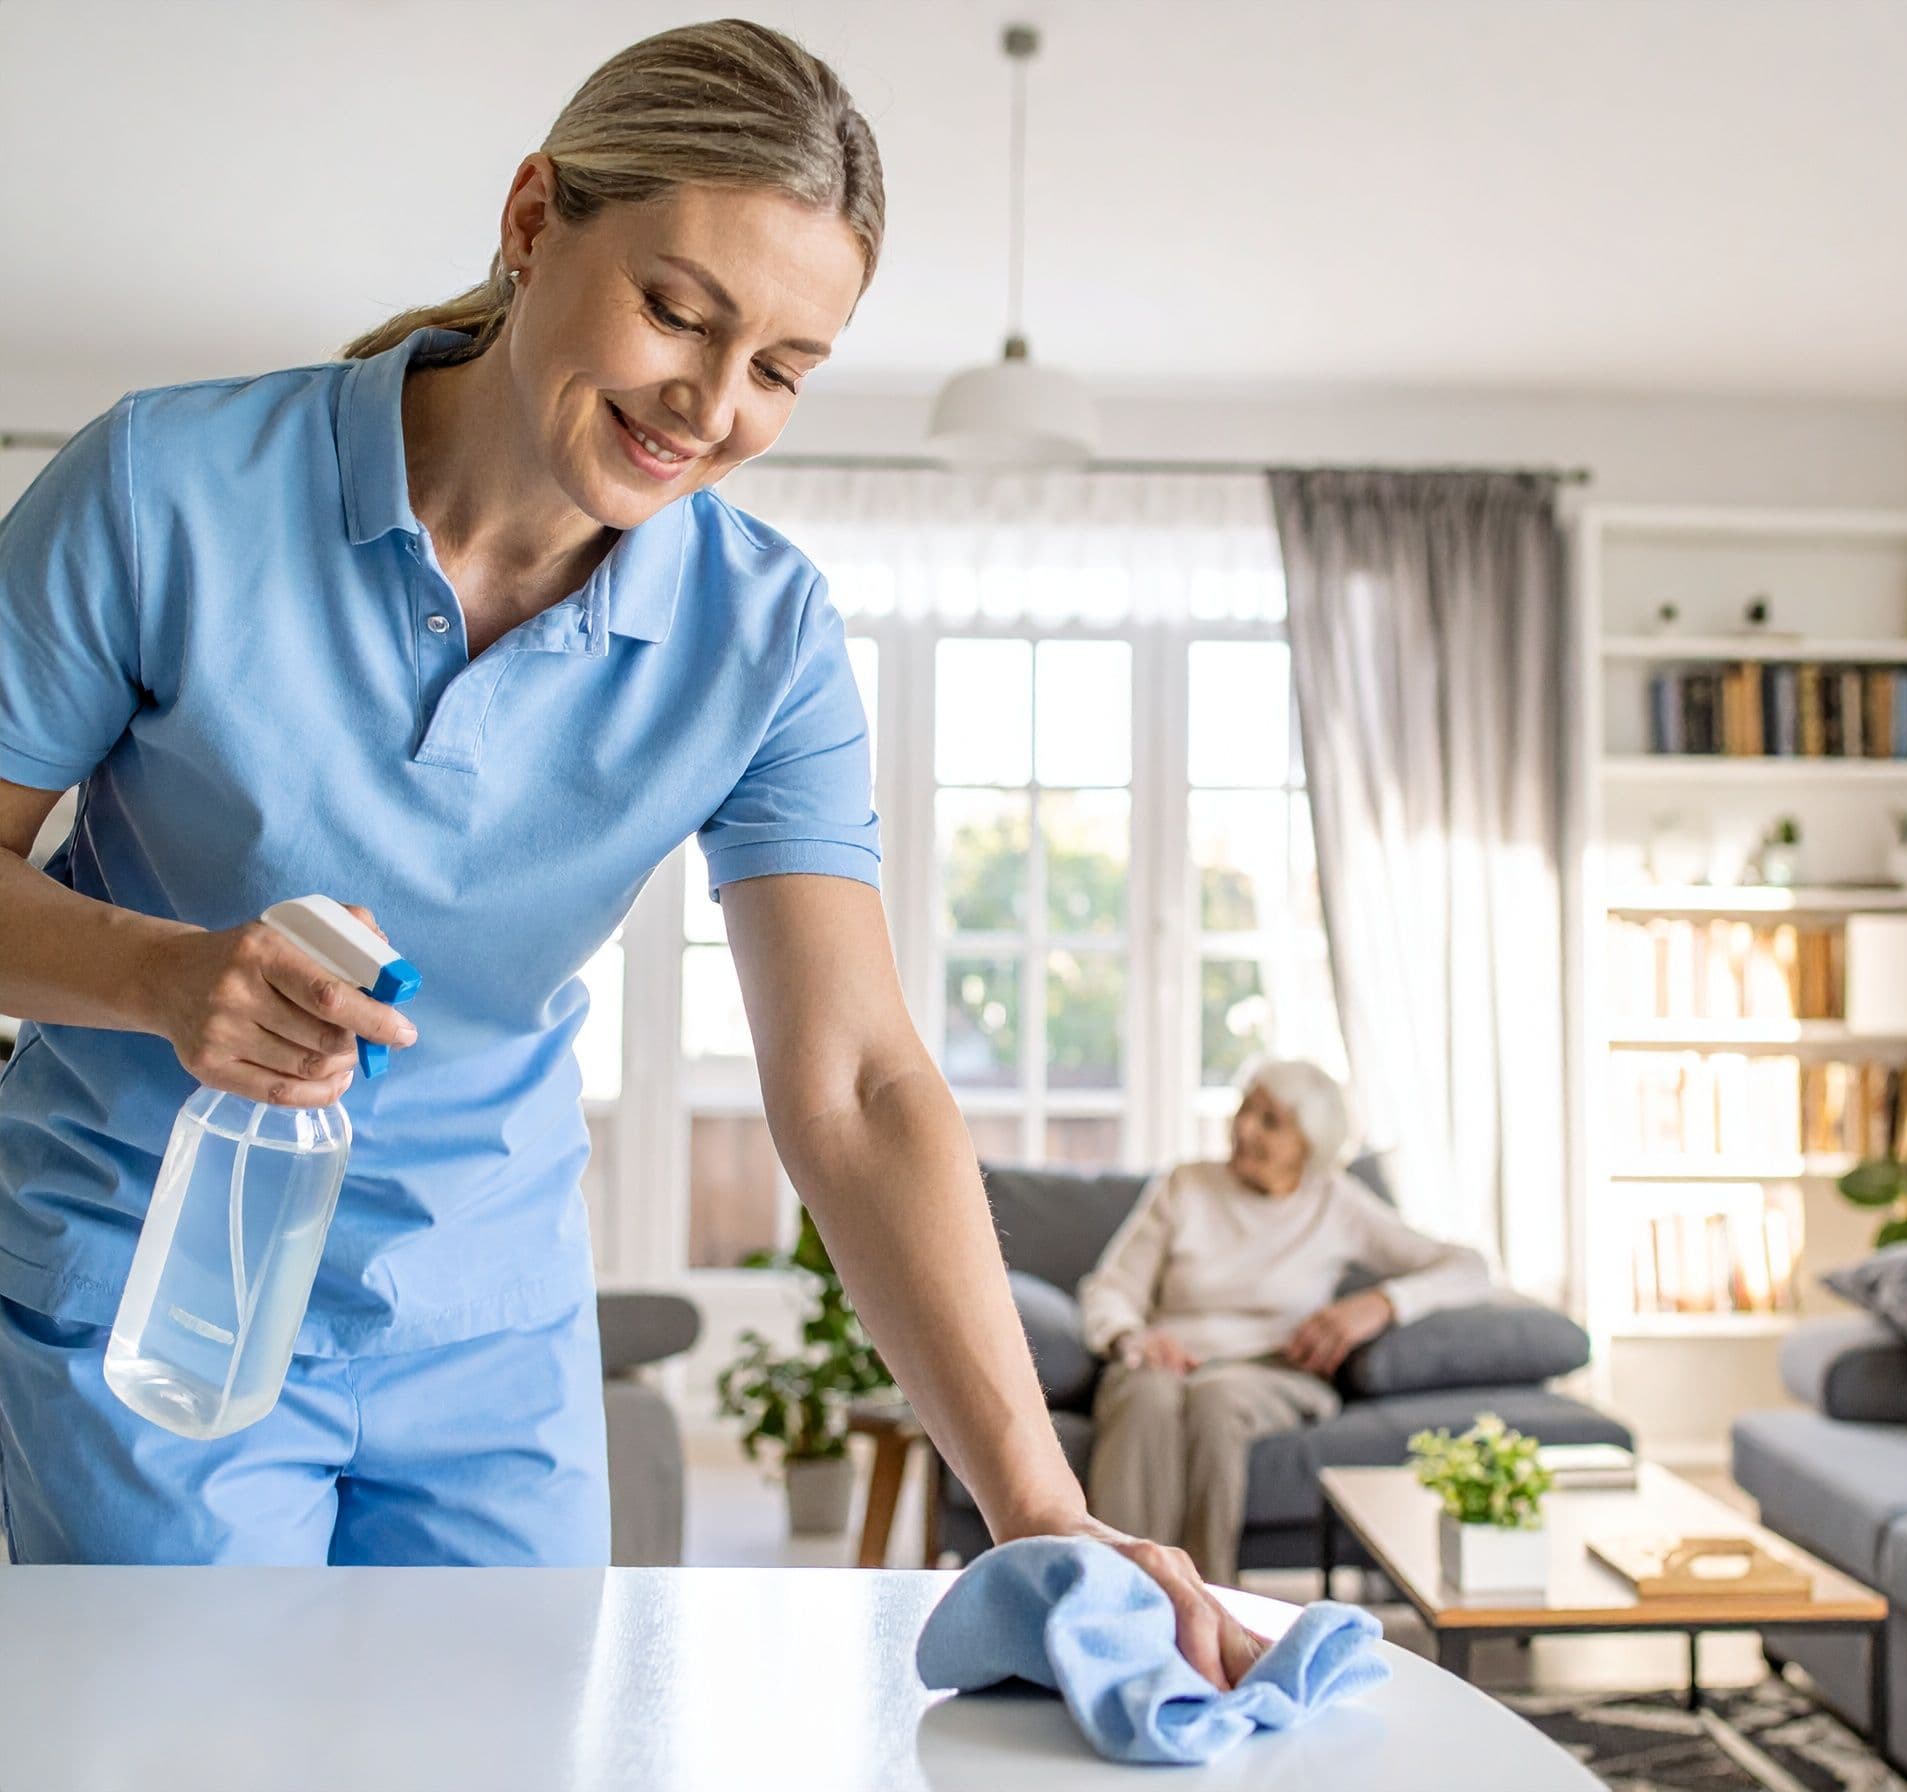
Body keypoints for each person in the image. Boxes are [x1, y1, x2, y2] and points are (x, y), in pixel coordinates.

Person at [0, 19, 1264, 1687]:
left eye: (785, 368)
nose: (714, 405)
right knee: (201, 1745)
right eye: (679, 311)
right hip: (163, 1296)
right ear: (533, 222)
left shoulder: (761, 633)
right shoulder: (171, 487)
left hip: (486, 1321)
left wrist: (1035, 1499)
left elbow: (862, 1083)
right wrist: (169, 975)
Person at [1078, 1060, 1493, 1583]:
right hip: (1165, 1361)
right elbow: (1112, 1287)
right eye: (1245, 1110)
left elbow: (1469, 1268)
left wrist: (1381, 1303)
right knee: (1147, 1395)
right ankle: (1114, 1595)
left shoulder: (1337, 1204)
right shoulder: (1186, 1186)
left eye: (1270, 1121)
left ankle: (1207, 1602)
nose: (1245, 1128)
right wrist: (1129, 1337)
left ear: (1310, 1145)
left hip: (1273, 1372)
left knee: (1217, 1397)